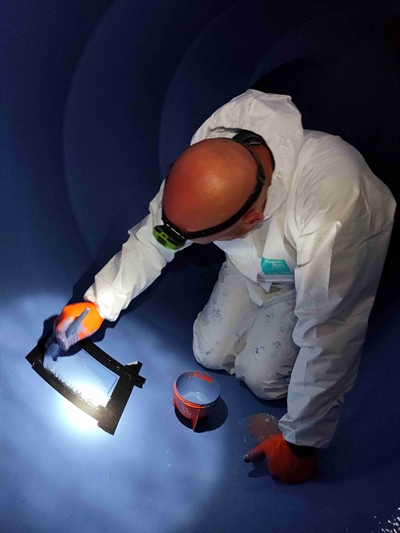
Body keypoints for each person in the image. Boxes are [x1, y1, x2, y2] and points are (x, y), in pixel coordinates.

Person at [53, 90, 396, 483]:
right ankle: (249, 288)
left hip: (312, 274)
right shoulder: (210, 161)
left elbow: (331, 330)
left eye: (190, 238)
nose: (174, 240)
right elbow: (155, 238)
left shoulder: (334, 206)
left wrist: (302, 443)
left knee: (263, 380)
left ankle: (271, 324)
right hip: (248, 259)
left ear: (252, 219)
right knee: (209, 351)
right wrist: (99, 302)